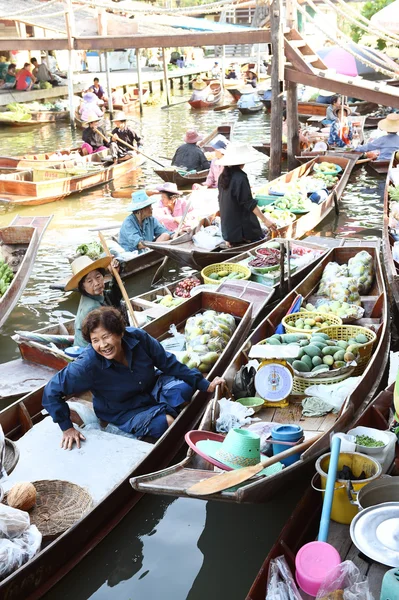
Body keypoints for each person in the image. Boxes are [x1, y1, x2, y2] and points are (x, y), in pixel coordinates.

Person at [42, 306, 225, 448]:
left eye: (106, 337)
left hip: (151, 387)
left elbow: (167, 362)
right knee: (166, 422)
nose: (102, 345)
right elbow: (51, 392)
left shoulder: (137, 337)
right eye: (95, 340)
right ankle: (166, 421)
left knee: (185, 389)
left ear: (120, 333)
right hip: (122, 409)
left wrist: (204, 384)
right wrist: (66, 428)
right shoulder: (87, 364)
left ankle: (167, 411)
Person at [216, 143, 277, 246]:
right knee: (260, 233)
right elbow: (249, 203)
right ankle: (246, 239)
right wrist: (266, 221)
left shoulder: (222, 176)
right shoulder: (240, 177)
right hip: (241, 231)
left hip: (228, 231)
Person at [64, 255, 122, 349]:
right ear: (83, 287)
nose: (96, 283)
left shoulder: (97, 295)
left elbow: (114, 297)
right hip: (89, 351)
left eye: (98, 277)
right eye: (90, 281)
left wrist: (116, 275)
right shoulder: (93, 308)